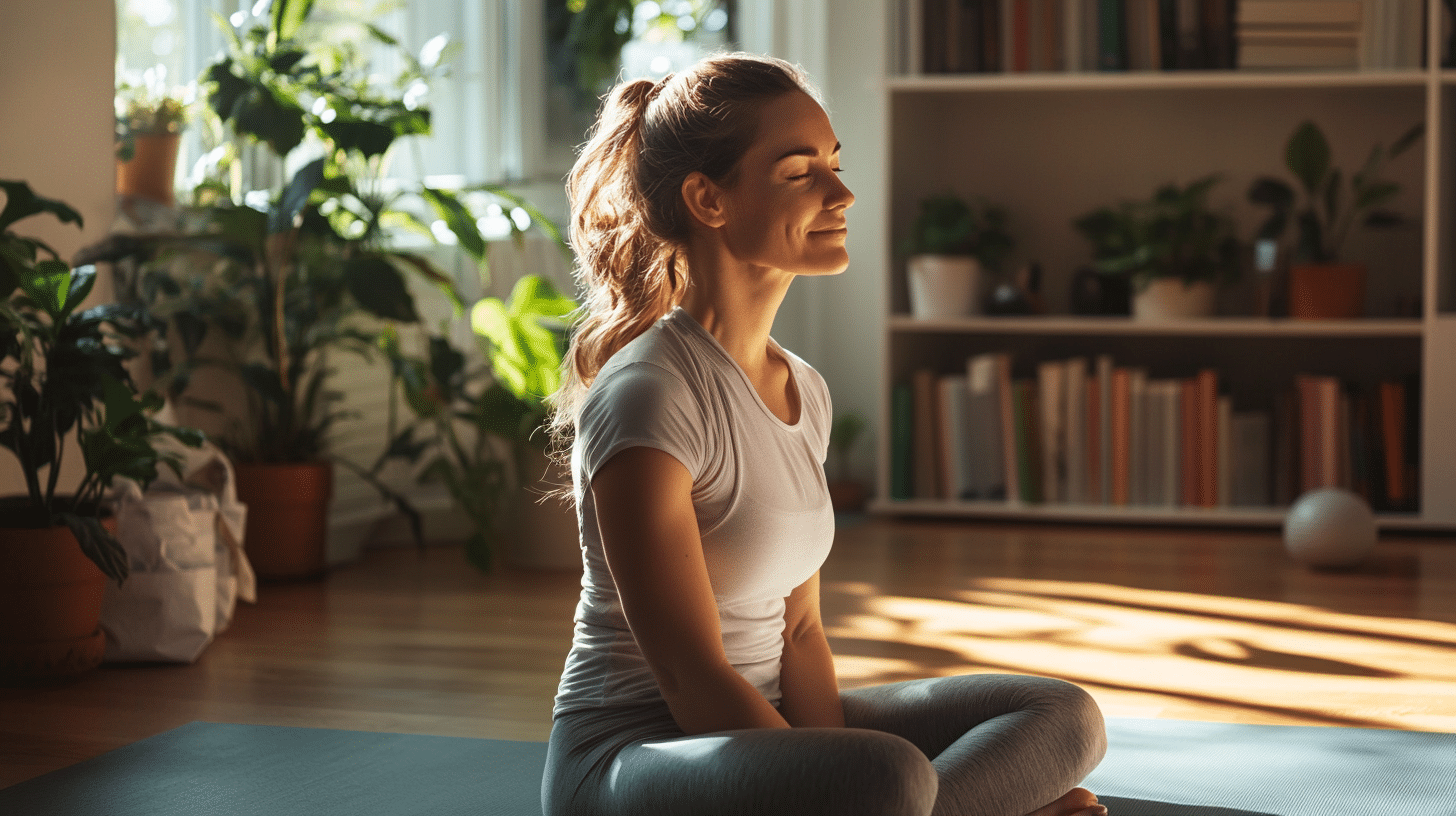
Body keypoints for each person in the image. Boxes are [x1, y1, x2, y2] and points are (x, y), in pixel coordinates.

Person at [541, 52, 1108, 816]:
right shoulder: (650, 394)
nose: (841, 192)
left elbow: (800, 632)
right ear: (708, 199)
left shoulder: (800, 387)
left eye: (834, 163)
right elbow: (687, 677)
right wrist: (844, 778)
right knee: (888, 778)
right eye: (800, 171)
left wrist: (829, 766)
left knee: (1059, 716)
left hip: (762, 721)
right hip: (638, 752)